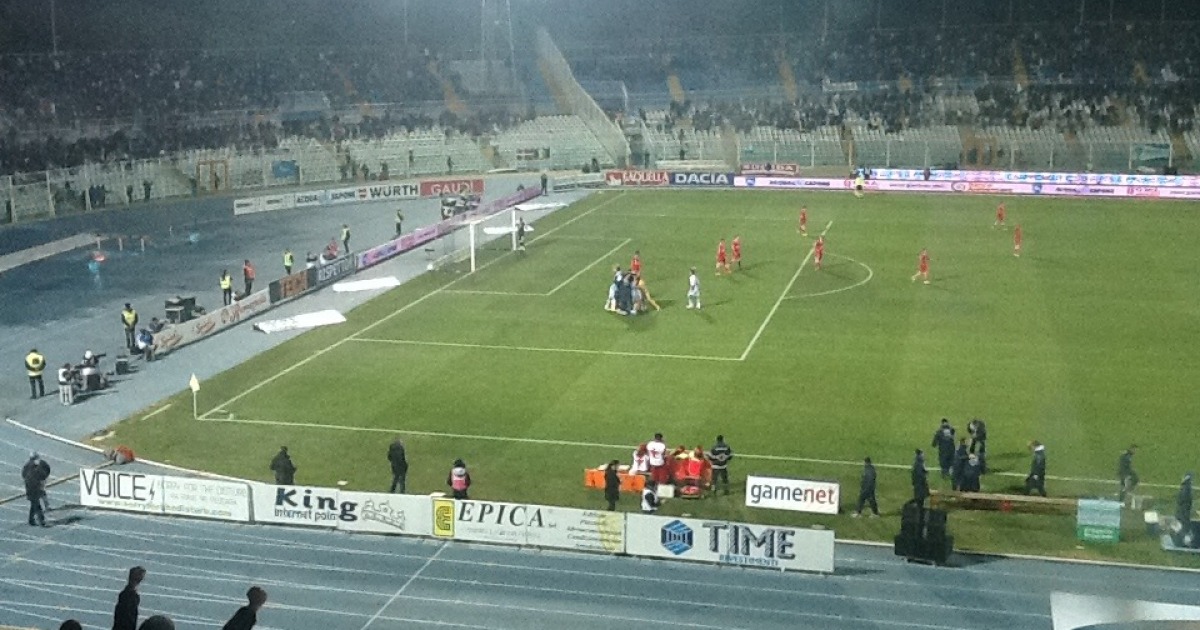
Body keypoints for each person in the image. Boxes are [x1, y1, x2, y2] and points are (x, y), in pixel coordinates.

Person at [23, 458, 46, 527]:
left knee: (33, 506)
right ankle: (41, 521)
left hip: (30, 491)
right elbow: (41, 478)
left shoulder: (27, 469)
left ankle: (31, 520)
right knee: (37, 506)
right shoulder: (33, 472)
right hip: (33, 492)